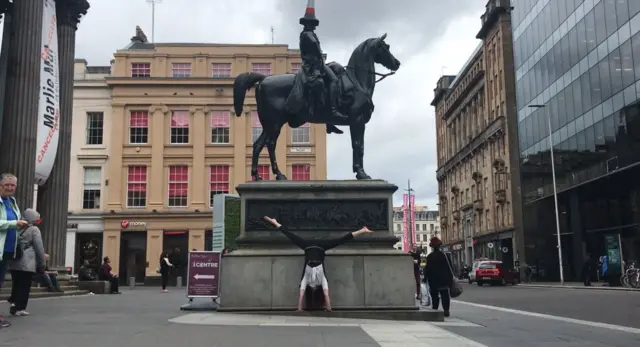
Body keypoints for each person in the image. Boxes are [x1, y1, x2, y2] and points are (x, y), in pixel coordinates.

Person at [263, 216, 373, 312]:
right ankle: (362, 230)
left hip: (309, 249)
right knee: (340, 240)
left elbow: (301, 294)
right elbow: (326, 294)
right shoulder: (322, 281)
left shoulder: (307, 280)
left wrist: (299, 308)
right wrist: (329, 308)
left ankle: (275, 222)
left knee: (291, 236)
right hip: (318, 250)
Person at [289, 0, 346, 135]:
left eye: (314, 24)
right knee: (333, 81)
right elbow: (315, 50)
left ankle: (329, 124)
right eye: (311, 23)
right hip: (312, 66)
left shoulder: (311, 34)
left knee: (336, 73)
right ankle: (332, 112)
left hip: (318, 65)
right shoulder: (307, 35)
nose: (313, 26)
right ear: (307, 24)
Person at [0, 173, 27, 326]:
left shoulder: (12, 202)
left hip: (7, 250)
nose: (10, 188)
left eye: (12, 185)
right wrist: (14, 223)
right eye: (6, 185)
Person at [8, 208, 46, 316]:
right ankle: (20, 308)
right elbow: (39, 247)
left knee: (16, 284)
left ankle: (13, 303)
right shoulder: (34, 230)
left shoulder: (18, 228)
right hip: (27, 262)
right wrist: (42, 262)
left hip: (15, 261)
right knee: (24, 285)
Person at [423, 237, 453, 317]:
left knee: (434, 296)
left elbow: (427, 269)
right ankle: (446, 310)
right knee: (445, 295)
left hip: (433, 280)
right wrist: (451, 279)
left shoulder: (429, 257)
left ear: (432, 246)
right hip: (444, 280)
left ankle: (435, 309)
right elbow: (450, 267)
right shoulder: (445, 255)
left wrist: (425, 278)